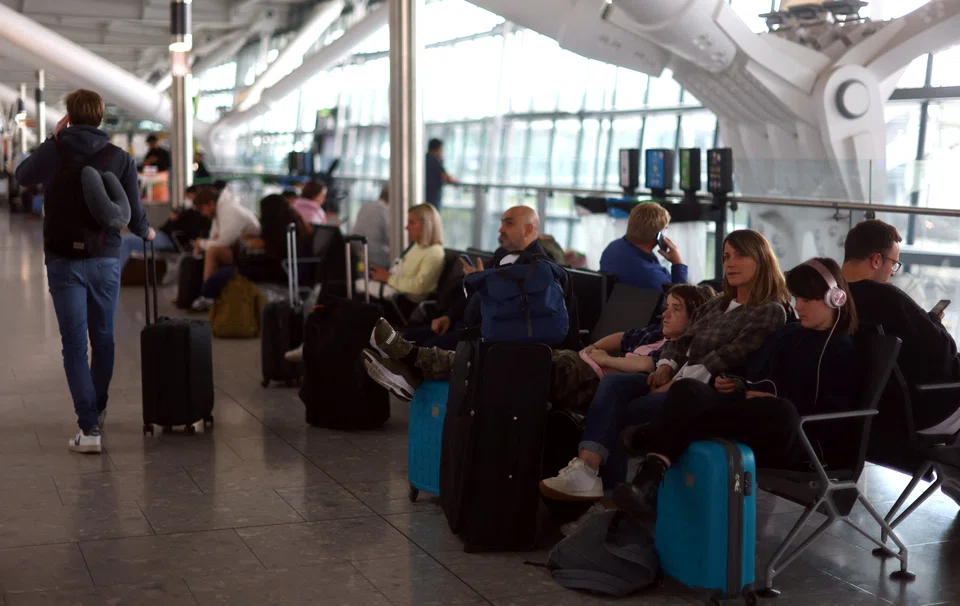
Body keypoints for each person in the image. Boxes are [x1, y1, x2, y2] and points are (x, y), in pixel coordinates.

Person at [539, 229, 790, 501]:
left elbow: (730, 356)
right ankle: (587, 470)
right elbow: (681, 342)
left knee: (623, 410)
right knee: (613, 384)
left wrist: (676, 383)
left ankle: (606, 499)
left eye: (739, 255)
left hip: (704, 389)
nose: (729, 263)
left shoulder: (768, 310)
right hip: (675, 376)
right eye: (726, 256)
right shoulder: (719, 303)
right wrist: (666, 367)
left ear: (761, 258)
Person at [614, 258, 861, 517]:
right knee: (688, 389)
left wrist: (775, 399)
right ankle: (648, 482)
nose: (798, 307)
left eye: (806, 301)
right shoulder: (789, 334)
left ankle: (657, 435)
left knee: (781, 411)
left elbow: (833, 416)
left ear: (836, 298)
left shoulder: (842, 350)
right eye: (796, 299)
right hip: (749, 415)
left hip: (797, 438)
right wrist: (733, 382)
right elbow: (753, 372)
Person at [15, 89, 155, 454]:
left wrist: (53, 138)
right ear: (102, 117)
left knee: (75, 343)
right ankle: (100, 406)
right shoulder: (119, 157)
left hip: (62, 258)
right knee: (104, 338)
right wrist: (147, 232)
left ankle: (89, 428)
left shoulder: (57, 150)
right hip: (106, 257)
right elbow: (134, 212)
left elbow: (22, 176)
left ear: (68, 116)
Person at [360, 284, 712, 409]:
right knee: (494, 363)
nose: (666, 312)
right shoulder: (653, 333)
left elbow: (647, 368)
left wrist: (605, 359)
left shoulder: (679, 347)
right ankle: (413, 368)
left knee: (500, 361)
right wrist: (592, 347)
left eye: (675, 309)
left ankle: (410, 358)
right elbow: (622, 338)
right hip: (580, 365)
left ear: (694, 316)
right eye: (666, 305)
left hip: (592, 381)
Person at [840, 219, 960, 505]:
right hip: (926, 412)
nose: (892, 273)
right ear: (875, 259)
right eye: (893, 264)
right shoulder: (888, 298)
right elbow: (944, 351)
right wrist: (935, 325)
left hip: (878, 414)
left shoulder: (831, 299)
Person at [406, 205, 550, 352]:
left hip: (487, 338)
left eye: (509, 223)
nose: (501, 229)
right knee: (407, 338)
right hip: (463, 324)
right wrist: (449, 316)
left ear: (528, 230)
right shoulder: (502, 254)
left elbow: (514, 313)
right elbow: (475, 293)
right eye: (501, 223)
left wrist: (484, 284)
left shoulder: (538, 267)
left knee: (425, 348)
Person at [189, 186, 261, 310]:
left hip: (251, 256)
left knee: (212, 252)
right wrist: (207, 243)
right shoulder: (219, 212)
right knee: (212, 250)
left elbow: (223, 242)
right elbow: (215, 239)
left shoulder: (229, 211)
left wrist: (202, 244)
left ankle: (207, 296)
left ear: (211, 204)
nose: (203, 214)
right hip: (241, 251)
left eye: (202, 209)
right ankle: (208, 294)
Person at [361, 202, 445, 306]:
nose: (407, 228)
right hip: (395, 293)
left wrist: (388, 278)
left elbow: (419, 286)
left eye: (412, 223)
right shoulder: (416, 245)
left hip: (404, 302)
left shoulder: (434, 253)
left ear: (426, 225)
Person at [117, 186, 216, 269]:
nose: (188, 200)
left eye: (189, 197)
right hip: (164, 234)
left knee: (125, 240)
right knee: (125, 237)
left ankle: (112, 276)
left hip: (170, 238)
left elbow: (190, 232)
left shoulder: (200, 216)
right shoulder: (189, 211)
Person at [600, 202, 687, 291]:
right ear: (659, 236)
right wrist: (678, 264)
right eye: (666, 228)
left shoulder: (612, 248)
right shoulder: (652, 275)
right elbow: (680, 299)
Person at [352, 184, 392, 270]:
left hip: (359, 255)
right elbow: (390, 237)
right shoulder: (384, 210)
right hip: (377, 258)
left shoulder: (365, 206)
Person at [425, 138, 456, 209]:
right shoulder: (435, 160)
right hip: (432, 197)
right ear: (439, 149)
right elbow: (447, 178)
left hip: (426, 195)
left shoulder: (425, 158)